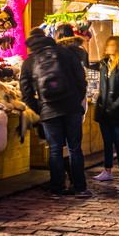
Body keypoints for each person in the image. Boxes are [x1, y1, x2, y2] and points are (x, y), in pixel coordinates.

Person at [20, 28, 90, 197]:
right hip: (72, 107)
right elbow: (81, 78)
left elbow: (25, 92)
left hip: (49, 110)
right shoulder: (65, 53)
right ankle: (80, 187)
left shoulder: (29, 62)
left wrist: (41, 108)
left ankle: (57, 187)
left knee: (55, 149)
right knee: (75, 148)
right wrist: (76, 98)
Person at [93, 36, 119, 182]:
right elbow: (87, 64)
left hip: (117, 110)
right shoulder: (104, 64)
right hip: (104, 109)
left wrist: (117, 103)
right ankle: (107, 170)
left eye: (111, 45)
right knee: (107, 141)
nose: (108, 47)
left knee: (118, 141)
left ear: (118, 47)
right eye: (108, 44)